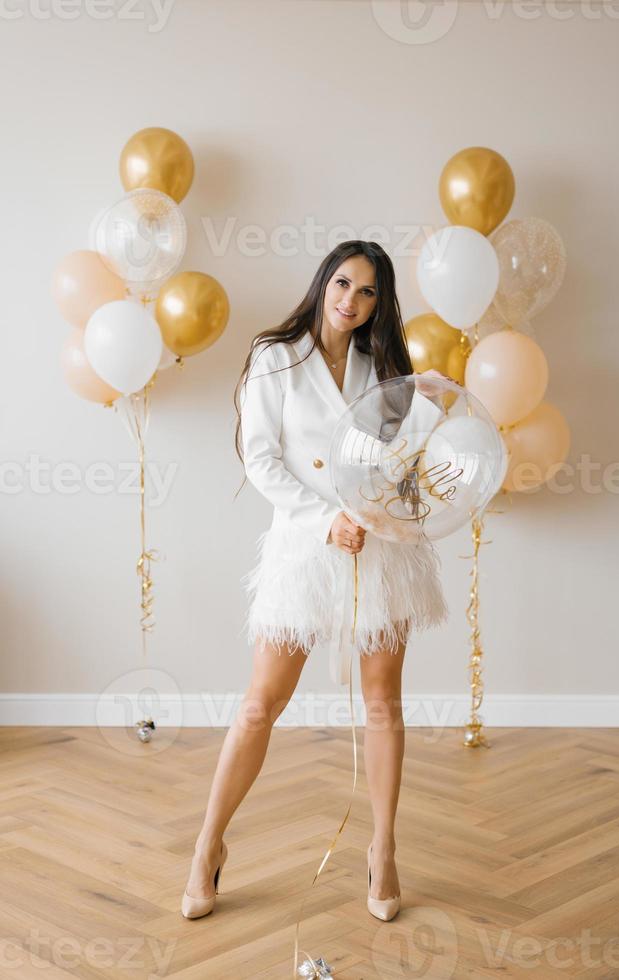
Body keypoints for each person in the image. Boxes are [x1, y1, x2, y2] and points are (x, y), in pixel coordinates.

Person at [181, 240, 448, 922]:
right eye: (342, 283)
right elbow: (261, 458)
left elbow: (394, 461)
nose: (349, 301)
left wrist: (430, 407)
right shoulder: (277, 356)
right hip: (304, 545)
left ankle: (383, 849)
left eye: (366, 293)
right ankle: (207, 845)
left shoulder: (379, 368)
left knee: (383, 699)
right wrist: (325, 518)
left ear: (377, 306)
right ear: (323, 282)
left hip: (378, 547)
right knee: (261, 702)